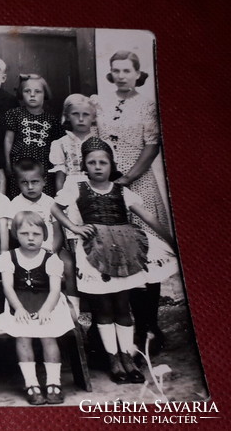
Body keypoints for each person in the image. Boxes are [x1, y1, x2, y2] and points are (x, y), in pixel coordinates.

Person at [54, 137, 177, 384]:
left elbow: (150, 218)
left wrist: (173, 241)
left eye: (103, 162)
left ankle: (127, 356)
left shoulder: (123, 191)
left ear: (112, 164)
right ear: (84, 166)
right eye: (92, 162)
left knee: (123, 306)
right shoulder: (76, 187)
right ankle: (113, 359)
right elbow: (55, 209)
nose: (98, 167)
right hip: (95, 251)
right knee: (104, 308)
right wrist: (75, 228)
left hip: (123, 252)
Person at [93, 51, 170, 352]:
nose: (122, 75)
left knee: (146, 252)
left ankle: (149, 327)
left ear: (138, 73)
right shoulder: (100, 102)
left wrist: (125, 179)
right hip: (107, 182)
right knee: (116, 249)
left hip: (139, 183)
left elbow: (152, 146)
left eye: (127, 70)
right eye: (116, 70)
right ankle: (116, 327)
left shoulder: (148, 105)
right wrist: (107, 179)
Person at [0, 212, 74, 405]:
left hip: (47, 302)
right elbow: (8, 287)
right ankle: (31, 383)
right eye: (24, 233)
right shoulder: (8, 258)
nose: (30, 238)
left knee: (48, 336)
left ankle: (54, 382)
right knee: (23, 336)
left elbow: (55, 290)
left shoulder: (51, 259)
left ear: (44, 235)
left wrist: (46, 310)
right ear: (15, 235)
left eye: (35, 234)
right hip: (19, 302)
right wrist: (18, 308)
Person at [9, 158, 78, 313]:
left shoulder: (51, 203)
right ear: (18, 183)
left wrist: (53, 251)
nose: (30, 187)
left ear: (44, 181)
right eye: (24, 183)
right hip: (28, 248)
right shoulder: (15, 204)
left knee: (68, 263)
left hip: (53, 247)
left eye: (35, 181)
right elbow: (14, 233)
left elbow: (58, 231)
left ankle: (75, 306)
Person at [4, 74, 64, 198]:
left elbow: (58, 145)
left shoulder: (51, 119)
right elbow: (8, 140)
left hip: (43, 165)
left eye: (38, 91)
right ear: (21, 93)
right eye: (27, 91)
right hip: (19, 163)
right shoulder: (14, 114)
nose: (32, 95)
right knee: (19, 195)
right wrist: (8, 164)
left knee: (43, 196)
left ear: (45, 94)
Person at [50, 94, 98, 192]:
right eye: (75, 114)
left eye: (86, 114)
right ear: (67, 116)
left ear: (93, 117)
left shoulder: (101, 142)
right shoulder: (61, 144)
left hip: (96, 190)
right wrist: (61, 198)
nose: (80, 119)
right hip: (71, 192)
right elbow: (60, 176)